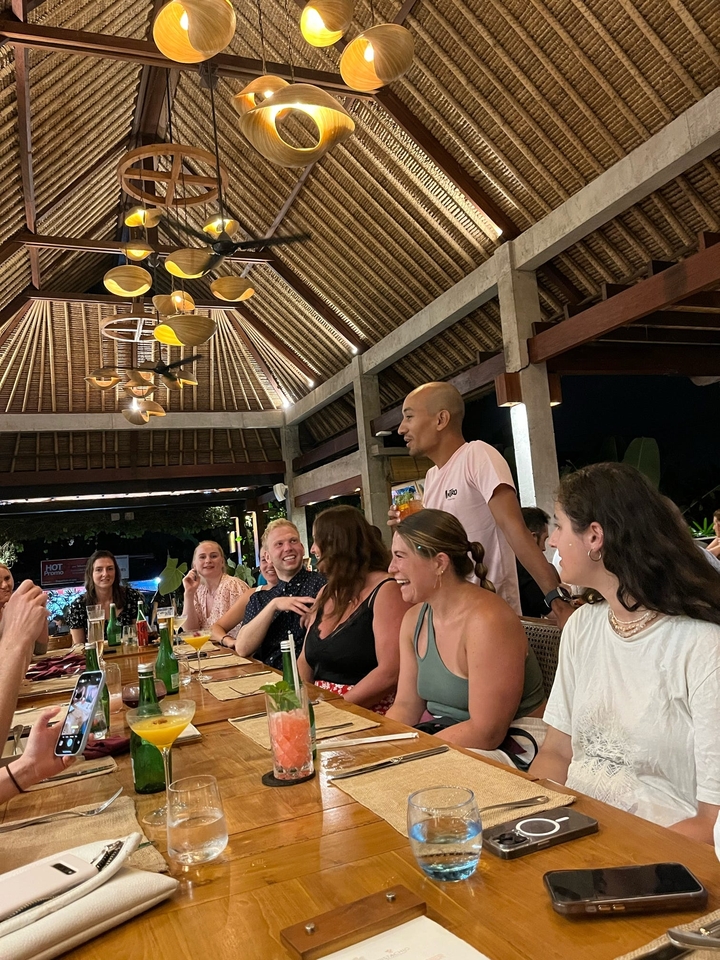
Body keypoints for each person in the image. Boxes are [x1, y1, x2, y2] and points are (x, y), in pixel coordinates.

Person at [529, 463, 720, 844]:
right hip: (574, 832)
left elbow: (710, 824)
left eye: (560, 526)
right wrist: (535, 821)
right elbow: (556, 752)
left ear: (594, 536)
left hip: (660, 853)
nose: (551, 541)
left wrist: (608, 854)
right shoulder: (582, 626)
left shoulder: (702, 645)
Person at [391, 382, 572, 626]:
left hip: (491, 615)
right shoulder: (432, 477)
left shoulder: (477, 455)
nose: (402, 429)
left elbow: (514, 528)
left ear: (441, 419)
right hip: (449, 615)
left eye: (409, 417)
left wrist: (555, 599)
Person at [386, 509, 546, 758]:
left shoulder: (488, 621)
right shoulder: (414, 619)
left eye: (400, 556)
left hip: (515, 748)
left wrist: (411, 754)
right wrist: (380, 746)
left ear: (439, 563)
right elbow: (406, 706)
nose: (391, 568)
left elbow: (487, 732)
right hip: (448, 741)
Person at [298, 506, 409, 712]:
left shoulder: (386, 590)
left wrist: (336, 708)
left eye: (316, 540)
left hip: (368, 711)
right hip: (320, 709)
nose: (313, 549)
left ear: (337, 544)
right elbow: (304, 659)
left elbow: (391, 672)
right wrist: (303, 702)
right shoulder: (326, 592)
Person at [234, 520, 325, 668]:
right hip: (269, 681)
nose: (288, 548)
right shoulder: (259, 599)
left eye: (293, 541)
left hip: (313, 679)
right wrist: (274, 605)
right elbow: (242, 648)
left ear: (302, 548)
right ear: (268, 557)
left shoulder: (323, 586)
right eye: (279, 544)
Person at [66, 551, 144, 645]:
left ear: (116, 572)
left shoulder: (132, 597)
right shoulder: (78, 606)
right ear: (91, 574)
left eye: (110, 569)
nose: (105, 574)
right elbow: (79, 648)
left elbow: (141, 638)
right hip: (96, 658)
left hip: (130, 656)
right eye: (99, 569)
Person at [211, 550, 279, 649]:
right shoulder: (252, 594)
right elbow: (215, 628)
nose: (269, 565)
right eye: (264, 560)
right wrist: (228, 640)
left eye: (273, 559)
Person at [182, 540, 250, 638]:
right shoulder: (197, 590)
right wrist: (188, 593)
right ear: (194, 565)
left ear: (222, 562)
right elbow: (190, 631)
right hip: (207, 651)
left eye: (213, 556)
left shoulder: (234, 586)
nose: (208, 560)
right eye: (202, 557)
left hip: (234, 649)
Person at [517, 507, 550, 618]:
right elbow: (554, 613)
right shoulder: (526, 568)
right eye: (544, 539)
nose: (544, 548)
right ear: (532, 538)